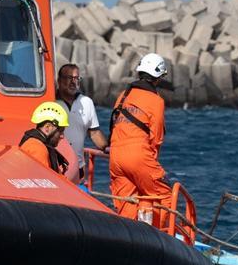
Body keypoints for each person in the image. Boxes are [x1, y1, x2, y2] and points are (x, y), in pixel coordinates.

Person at [109, 53, 172, 221]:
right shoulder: (155, 100)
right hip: (138, 155)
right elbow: (156, 137)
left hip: (115, 157)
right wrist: (151, 163)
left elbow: (115, 124)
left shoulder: (123, 95)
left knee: (126, 203)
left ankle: (127, 239)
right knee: (164, 194)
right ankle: (157, 238)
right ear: (158, 77)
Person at [56, 64, 108, 180]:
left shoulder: (87, 102)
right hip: (55, 169)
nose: (74, 82)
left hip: (77, 169)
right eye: (69, 78)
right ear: (59, 81)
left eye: (77, 78)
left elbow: (94, 133)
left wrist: (108, 148)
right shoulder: (51, 101)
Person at [19, 101, 70, 174]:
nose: (62, 136)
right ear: (47, 128)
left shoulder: (35, 144)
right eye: (60, 131)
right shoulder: (37, 149)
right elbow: (45, 182)